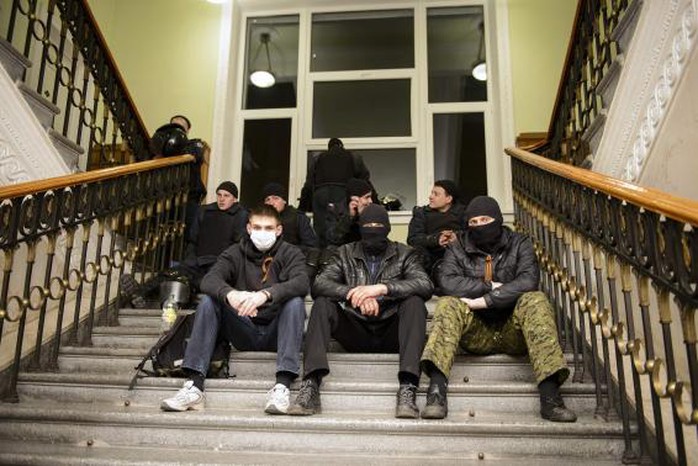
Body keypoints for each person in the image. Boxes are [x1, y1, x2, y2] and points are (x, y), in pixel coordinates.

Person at [419, 196, 577, 422]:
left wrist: (485, 300)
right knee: (446, 303)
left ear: (498, 220)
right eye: (473, 222)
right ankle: (435, 392)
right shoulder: (458, 246)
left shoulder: (519, 242)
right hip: (475, 332)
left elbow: (528, 281)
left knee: (535, 299)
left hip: (514, 331)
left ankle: (551, 396)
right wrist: (490, 286)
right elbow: (447, 282)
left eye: (485, 219)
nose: (479, 226)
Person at [160, 204, 309, 414]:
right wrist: (232, 295)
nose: (262, 233)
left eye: (268, 228)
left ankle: (282, 386)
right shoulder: (235, 252)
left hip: (278, 333)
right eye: (257, 227)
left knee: (295, 302)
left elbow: (302, 282)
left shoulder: (291, 253)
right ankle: (194, 386)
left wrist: (264, 295)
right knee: (209, 301)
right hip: (244, 328)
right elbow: (209, 280)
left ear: (279, 230)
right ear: (248, 228)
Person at [288, 204, 432, 419]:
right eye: (368, 225)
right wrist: (355, 294)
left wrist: (383, 289)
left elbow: (425, 284)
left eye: (378, 225)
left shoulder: (405, 253)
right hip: (355, 329)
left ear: (388, 228)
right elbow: (319, 284)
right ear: (360, 227)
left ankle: (408, 387)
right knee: (322, 304)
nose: (373, 230)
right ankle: (311, 384)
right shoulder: (344, 252)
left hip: (391, 331)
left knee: (415, 303)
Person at [120, 181, 247, 308]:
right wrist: (190, 260)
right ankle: (139, 293)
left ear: (235, 199)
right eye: (219, 195)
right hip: (196, 262)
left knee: (192, 284)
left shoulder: (241, 215)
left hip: (219, 265)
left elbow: (237, 245)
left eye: (226, 196)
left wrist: (225, 265)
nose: (221, 199)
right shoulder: (204, 211)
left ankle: (156, 300)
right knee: (170, 274)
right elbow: (193, 239)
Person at [299, 138, 373, 247]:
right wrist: (375, 204)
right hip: (342, 192)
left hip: (320, 194)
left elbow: (309, 184)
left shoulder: (318, 158)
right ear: (342, 146)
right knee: (342, 225)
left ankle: (322, 258)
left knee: (321, 233)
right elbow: (365, 180)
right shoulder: (353, 156)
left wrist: (301, 209)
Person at [150, 114, 209, 236]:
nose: (176, 129)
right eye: (173, 126)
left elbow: (195, 155)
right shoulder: (163, 148)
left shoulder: (195, 144)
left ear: (187, 130)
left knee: (189, 234)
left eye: (180, 127)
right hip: (166, 196)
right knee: (162, 234)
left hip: (189, 197)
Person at [407, 180, 467, 274]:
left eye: (436, 194)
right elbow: (413, 239)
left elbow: (470, 235)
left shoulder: (463, 213)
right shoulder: (421, 213)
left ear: (448, 199)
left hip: (456, 257)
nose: (430, 197)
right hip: (428, 259)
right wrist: (436, 239)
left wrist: (455, 237)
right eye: (432, 193)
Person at [262, 182, 318, 251]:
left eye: (276, 198)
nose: (271, 203)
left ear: (284, 201)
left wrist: (287, 250)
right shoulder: (259, 219)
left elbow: (311, 246)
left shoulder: (298, 217)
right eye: (268, 199)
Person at [325, 178, 374, 247]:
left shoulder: (372, 210)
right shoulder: (335, 210)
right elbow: (333, 238)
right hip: (342, 251)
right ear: (354, 199)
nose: (370, 201)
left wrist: (363, 217)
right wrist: (349, 217)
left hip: (363, 251)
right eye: (367, 197)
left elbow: (375, 238)